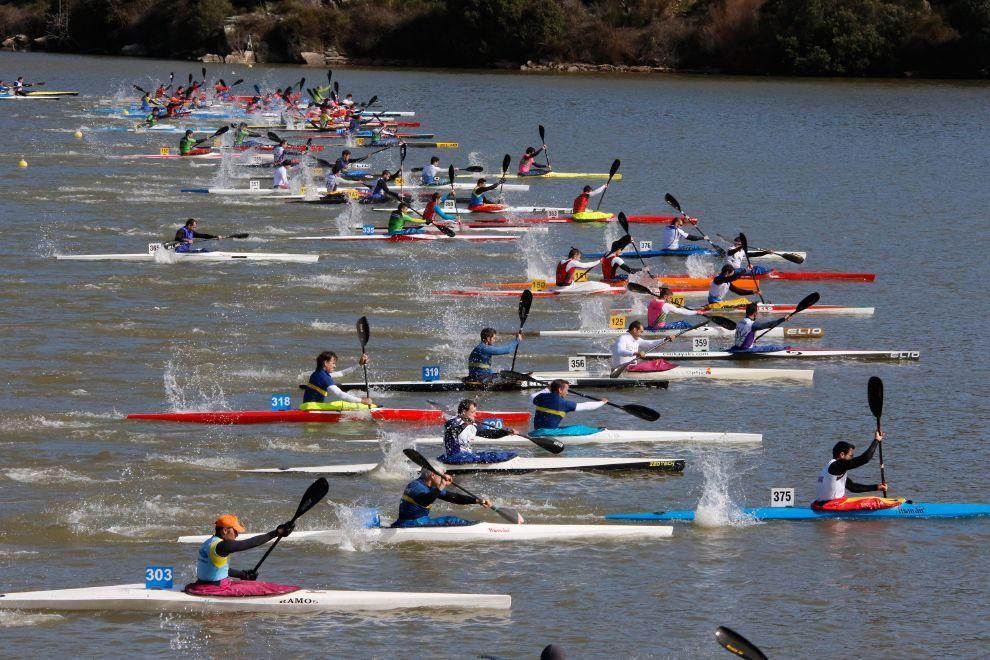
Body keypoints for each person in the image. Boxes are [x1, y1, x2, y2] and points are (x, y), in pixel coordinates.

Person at [183, 514, 297, 597]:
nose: (237, 535)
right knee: (265, 587)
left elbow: (218, 569)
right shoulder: (223, 546)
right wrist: (276, 533)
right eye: (235, 531)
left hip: (200, 586)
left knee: (249, 583)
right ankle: (296, 592)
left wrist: (242, 574)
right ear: (225, 530)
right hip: (216, 589)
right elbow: (249, 543)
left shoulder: (208, 543)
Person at [813, 432, 893, 511]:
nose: (852, 458)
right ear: (842, 455)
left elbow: (853, 487)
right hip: (832, 506)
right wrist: (876, 440)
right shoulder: (837, 465)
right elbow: (864, 459)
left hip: (822, 505)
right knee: (876, 501)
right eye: (851, 456)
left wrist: (876, 487)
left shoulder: (830, 468)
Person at [391, 466, 491, 527]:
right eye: (442, 475)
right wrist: (441, 486)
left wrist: (477, 501)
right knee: (451, 520)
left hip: (418, 521)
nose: (444, 477)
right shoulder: (415, 486)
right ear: (433, 475)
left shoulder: (429, 487)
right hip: (410, 524)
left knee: (451, 519)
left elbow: (453, 497)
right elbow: (424, 501)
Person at [439, 399, 517, 464]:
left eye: (475, 412)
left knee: (492, 454)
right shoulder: (452, 422)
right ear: (464, 412)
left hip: (467, 457)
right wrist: (465, 424)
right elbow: (451, 432)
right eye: (472, 412)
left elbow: (490, 434)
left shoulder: (473, 426)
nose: (475, 415)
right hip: (453, 457)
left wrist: (506, 432)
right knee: (487, 457)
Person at [300, 350, 374, 410]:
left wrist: (359, 364)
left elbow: (342, 373)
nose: (335, 366)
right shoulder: (323, 377)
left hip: (309, 406)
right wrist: (362, 400)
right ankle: (373, 407)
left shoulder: (318, 373)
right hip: (312, 408)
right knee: (342, 404)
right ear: (325, 363)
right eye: (333, 363)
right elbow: (340, 394)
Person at [529, 379, 607, 436]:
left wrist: (548, 389)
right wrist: (602, 402)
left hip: (536, 431)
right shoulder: (563, 403)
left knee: (563, 428)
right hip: (548, 433)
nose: (567, 393)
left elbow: (533, 396)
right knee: (579, 427)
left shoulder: (540, 397)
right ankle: (599, 430)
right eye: (567, 390)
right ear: (560, 389)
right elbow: (586, 406)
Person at [611, 321, 677, 372]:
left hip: (631, 368)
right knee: (657, 364)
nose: (641, 334)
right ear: (634, 330)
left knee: (656, 363)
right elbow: (619, 351)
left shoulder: (636, 339)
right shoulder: (623, 338)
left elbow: (650, 343)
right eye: (641, 332)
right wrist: (636, 353)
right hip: (621, 369)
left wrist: (665, 339)